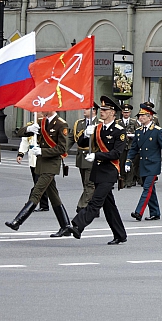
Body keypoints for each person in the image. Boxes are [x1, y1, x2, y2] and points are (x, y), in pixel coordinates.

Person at [64, 96, 129, 244]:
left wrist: (97, 155)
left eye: (105, 110)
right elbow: (80, 143)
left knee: (95, 202)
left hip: (110, 171)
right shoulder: (97, 128)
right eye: (102, 109)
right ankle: (120, 234)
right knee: (109, 206)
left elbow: (116, 153)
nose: (102, 112)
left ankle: (77, 225)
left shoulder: (119, 131)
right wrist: (86, 134)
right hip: (98, 172)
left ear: (113, 113)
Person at [6, 108, 73, 237]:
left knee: (37, 192)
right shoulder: (40, 122)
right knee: (54, 196)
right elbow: (20, 133)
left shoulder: (61, 124)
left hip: (51, 164)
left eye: (44, 106)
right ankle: (65, 226)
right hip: (41, 163)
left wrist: (43, 152)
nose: (41, 110)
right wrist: (29, 129)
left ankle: (18, 221)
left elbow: (61, 148)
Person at [125, 103, 162, 221]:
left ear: (150, 117)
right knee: (150, 190)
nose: (140, 118)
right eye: (139, 116)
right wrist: (128, 161)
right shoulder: (138, 131)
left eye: (143, 116)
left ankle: (139, 212)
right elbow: (134, 149)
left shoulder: (157, 131)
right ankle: (155, 212)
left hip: (153, 164)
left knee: (147, 189)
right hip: (143, 165)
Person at [16, 113, 50, 212]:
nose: (38, 112)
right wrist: (21, 153)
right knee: (39, 183)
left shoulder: (48, 125)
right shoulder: (31, 125)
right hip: (32, 157)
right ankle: (44, 205)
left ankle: (31, 202)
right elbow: (25, 141)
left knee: (38, 183)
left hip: (43, 156)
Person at [72, 105, 98, 214]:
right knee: (85, 184)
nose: (84, 110)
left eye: (87, 109)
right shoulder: (79, 123)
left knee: (89, 184)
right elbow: (73, 139)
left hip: (93, 156)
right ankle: (94, 208)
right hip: (81, 157)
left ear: (94, 111)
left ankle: (82, 207)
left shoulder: (100, 123)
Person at [119, 104, 139, 187]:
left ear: (130, 113)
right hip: (121, 146)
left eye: (127, 112)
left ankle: (129, 181)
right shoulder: (118, 122)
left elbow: (138, 133)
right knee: (122, 163)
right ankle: (122, 180)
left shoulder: (134, 122)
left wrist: (132, 136)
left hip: (131, 146)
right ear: (122, 112)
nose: (126, 114)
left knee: (130, 163)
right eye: (124, 112)